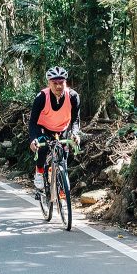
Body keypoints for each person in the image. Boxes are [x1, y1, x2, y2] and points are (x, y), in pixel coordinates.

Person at [28, 66, 81, 197]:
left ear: (65, 82)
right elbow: (33, 122)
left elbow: (75, 120)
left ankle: (62, 181)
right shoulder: (41, 97)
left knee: (63, 155)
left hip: (62, 128)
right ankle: (39, 172)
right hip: (43, 128)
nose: (58, 86)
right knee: (42, 148)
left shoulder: (73, 96)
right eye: (54, 83)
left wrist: (75, 133)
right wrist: (33, 139)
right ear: (49, 83)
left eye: (61, 83)